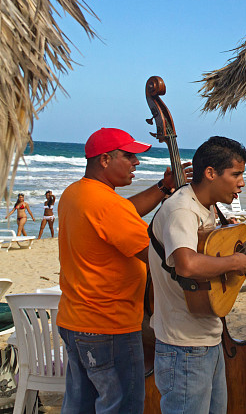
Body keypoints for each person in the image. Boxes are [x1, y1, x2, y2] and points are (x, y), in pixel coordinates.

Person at [57, 127, 188, 414]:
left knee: (81, 406)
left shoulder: (75, 193)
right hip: (109, 326)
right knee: (122, 407)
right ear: (105, 160)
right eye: (128, 157)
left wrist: (163, 188)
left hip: (75, 320)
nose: (136, 163)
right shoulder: (107, 205)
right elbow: (160, 257)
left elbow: (124, 211)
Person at [149, 136, 246, 414]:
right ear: (210, 173)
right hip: (183, 346)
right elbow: (187, 265)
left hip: (206, 338)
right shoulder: (182, 209)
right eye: (236, 174)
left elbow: (211, 249)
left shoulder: (206, 207)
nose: (242, 183)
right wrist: (232, 263)